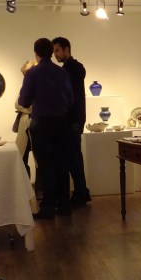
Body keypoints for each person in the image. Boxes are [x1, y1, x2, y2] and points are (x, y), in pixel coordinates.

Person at [18, 38, 74, 219]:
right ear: (51, 52)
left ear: (36, 53)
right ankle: (64, 205)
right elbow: (70, 100)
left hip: (42, 123)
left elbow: (24, 101)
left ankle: (48, 207)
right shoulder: (62, 72)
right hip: (62, 123)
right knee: (62, 164)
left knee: (46, 165)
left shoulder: (32, 74)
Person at [52, 36, 91, 207]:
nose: (55, 54)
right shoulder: (74, 68)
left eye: (57, 50)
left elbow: (70, 97)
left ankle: (81, 193)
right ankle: (81, 192)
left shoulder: (70, 68)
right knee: (74, 157)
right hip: (75, 119)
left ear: (66, 49)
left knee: (73, 158)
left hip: (72, 120)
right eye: (54, 51)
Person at [14, 59, 36, 177]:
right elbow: (17, 104)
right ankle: (24, 184)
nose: (26, 77)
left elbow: (36, 106)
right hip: (24, 125)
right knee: (22, 157)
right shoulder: (25, 87)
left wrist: (26, 108)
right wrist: (29, 109)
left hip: (37, 125)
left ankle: (40, 186)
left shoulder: (41, 86)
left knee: (39, 160)